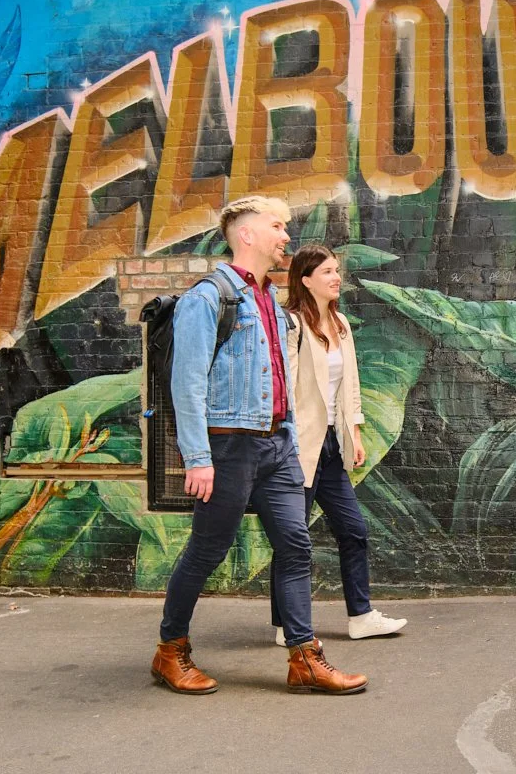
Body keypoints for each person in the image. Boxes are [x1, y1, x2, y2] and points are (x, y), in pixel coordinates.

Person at [151, 197, 367, 696]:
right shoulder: (209, 298)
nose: (286, 236)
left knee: (295, 545)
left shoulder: (269, 299)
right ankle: (170, 650)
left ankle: (304, 657)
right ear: (247, 235)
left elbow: (278, 376)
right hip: (229, 446)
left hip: (277, 446)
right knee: (208, 550)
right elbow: (188, 385)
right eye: (278, 226)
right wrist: (198, 458)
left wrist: (289, 430)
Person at [270, 244, 407, 646]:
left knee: (353, 530)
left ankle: (361, 616)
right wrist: (287, 444)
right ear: (306, 280)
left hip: (332, 444)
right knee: (291, 537)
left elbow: (352, 385)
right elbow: (285, 390)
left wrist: (355, 432)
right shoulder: (292, 325)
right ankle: (284, 625)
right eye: (327, 272)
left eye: (336, 270)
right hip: (300, 447)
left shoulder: (341, 323)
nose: (336, 278)